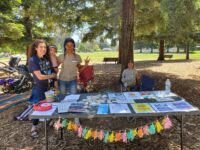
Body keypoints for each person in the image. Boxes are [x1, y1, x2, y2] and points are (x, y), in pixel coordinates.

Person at [27, 39, 56, 138]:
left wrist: (54, 80)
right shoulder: (32, 60)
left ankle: (49, 120)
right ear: (35, 48)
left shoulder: (45, 59)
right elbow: (40, 77)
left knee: (50, 105)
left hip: (48, 88)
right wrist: (52, 76)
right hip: (39, 89)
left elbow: (51, 71)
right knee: (38, 108)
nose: (43, 49)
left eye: (44, 47)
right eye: (41, 47)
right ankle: (33, 128)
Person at [58, 37, 90, 124]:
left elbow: (80, 70)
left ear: (74, 46)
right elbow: (55, 68)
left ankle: (76, 118)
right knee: (62, 98)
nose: (69, 47)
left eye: (71, 45)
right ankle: (62, 118)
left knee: (74, 99)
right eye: (67, 45)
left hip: (72, 80)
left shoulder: (77, 57)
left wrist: (86, 65)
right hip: (62, 80)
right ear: (64, 46)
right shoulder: (61, 56)